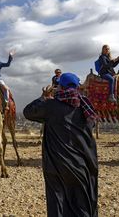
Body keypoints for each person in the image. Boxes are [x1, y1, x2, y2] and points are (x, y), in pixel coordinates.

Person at [23, 72, 98, 217]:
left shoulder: (50, 105)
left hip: (55, 166)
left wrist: (43, 97)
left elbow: (28, 112)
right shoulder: (85, 106)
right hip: (82, 166)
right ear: (77, 86)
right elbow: (90, 126)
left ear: (60, 87)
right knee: (81, 204)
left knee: (58, 202)